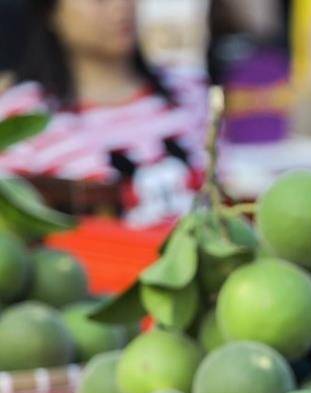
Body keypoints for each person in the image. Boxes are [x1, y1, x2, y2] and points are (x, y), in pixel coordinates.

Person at [0, 0, 207, 225]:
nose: (121, 6)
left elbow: (230, 191)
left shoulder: (189, 88)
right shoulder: (21, 116)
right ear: (51, 12)